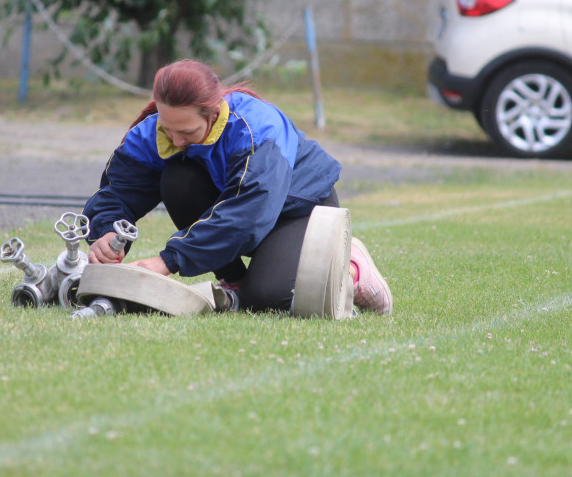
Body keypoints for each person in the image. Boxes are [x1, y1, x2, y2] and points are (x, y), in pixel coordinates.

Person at [82, 59, 392, 314]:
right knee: (177, 179)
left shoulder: (259, 130)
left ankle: (350, 266)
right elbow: (116, 191)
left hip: (301, 212)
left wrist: (166, 261)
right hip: (244, 212)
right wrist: (107, 230)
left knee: (271, 299)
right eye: (168, 128)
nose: (175, 140)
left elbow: (249, 213)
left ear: (213, 114)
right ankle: (235, 282)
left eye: (187, 131)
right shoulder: (156, 131)